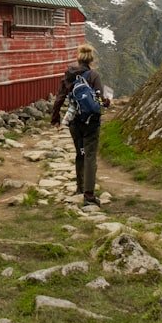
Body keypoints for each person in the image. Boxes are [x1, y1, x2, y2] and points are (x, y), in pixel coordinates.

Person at [51, 43, 111, 206]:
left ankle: (80, 187)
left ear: (78, 58)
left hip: (75, 123)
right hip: (91, 122)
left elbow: (59, 98)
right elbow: (98, 99)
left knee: (81, 153)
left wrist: (55, 118)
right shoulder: (93, 76)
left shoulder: (69, 75)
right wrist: (106, 102)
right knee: (90, 155)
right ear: (91, 59)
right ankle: (89, 195)